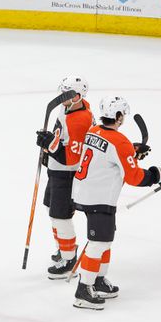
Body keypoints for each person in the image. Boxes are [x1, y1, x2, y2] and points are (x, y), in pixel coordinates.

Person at [70, 96, 161, 310]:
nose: (123, 118)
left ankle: (97, 279)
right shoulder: (120, 141)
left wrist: (131, 152)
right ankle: (84, 289)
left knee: (105, 240)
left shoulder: (93, 131)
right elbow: (133, 177)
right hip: (99, 198)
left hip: (84, 192)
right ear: (118, 116)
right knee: (99, 243)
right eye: (122, 115)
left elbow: (108, 156)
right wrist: (155, 174)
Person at [34, 76, 93, 279]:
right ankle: (64, 249)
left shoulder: (80, 119)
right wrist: (48, 145)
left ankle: (68, 260)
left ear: (77, 96)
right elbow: (62, 139)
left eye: (65, 94)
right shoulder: (69, 107)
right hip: (56, 170)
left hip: (67, 175)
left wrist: (50, 145)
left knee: (61, 216)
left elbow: (70, 158)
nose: (61, 96)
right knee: (53, 212)